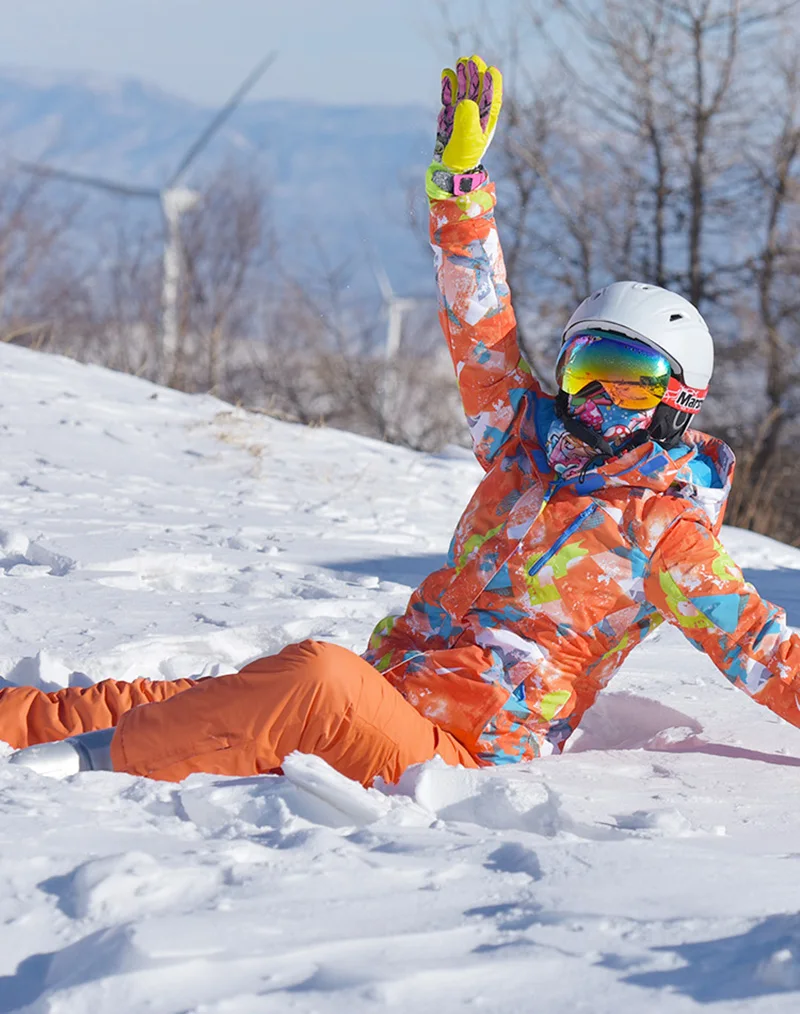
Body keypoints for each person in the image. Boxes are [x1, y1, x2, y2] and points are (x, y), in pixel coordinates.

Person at [3, 55, 799, 783]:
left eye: (629, 383)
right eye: (587, 371)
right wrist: (462, 189)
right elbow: (479, 326)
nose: (596, 401)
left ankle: (82, 772)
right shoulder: (526, 443)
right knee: (163, 694)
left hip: (454, 755)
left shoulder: (667, 533)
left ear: (678, 400)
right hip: (387, 696)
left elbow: (765, 652)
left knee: (312, 676)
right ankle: (23, 728)